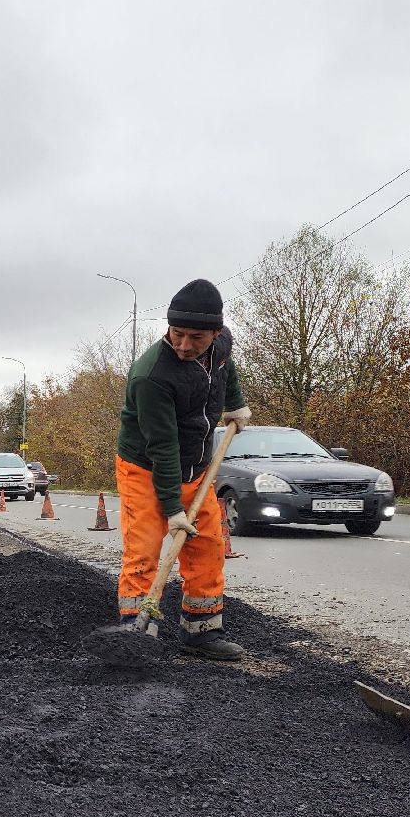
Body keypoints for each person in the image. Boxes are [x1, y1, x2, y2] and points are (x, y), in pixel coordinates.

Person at [114, 278, 252, 660]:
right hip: (146, 467)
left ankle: (201, 633)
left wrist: (235, 404)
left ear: (216, 333)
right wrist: (173, 509)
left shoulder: (220, 347)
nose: (185, 345)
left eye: (196, 337)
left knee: (207, 545)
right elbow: (163, 446)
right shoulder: (152, 375)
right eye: (177, 334)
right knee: (143, 551)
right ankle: (136, 636)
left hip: (196, 466)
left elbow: (225, 371)